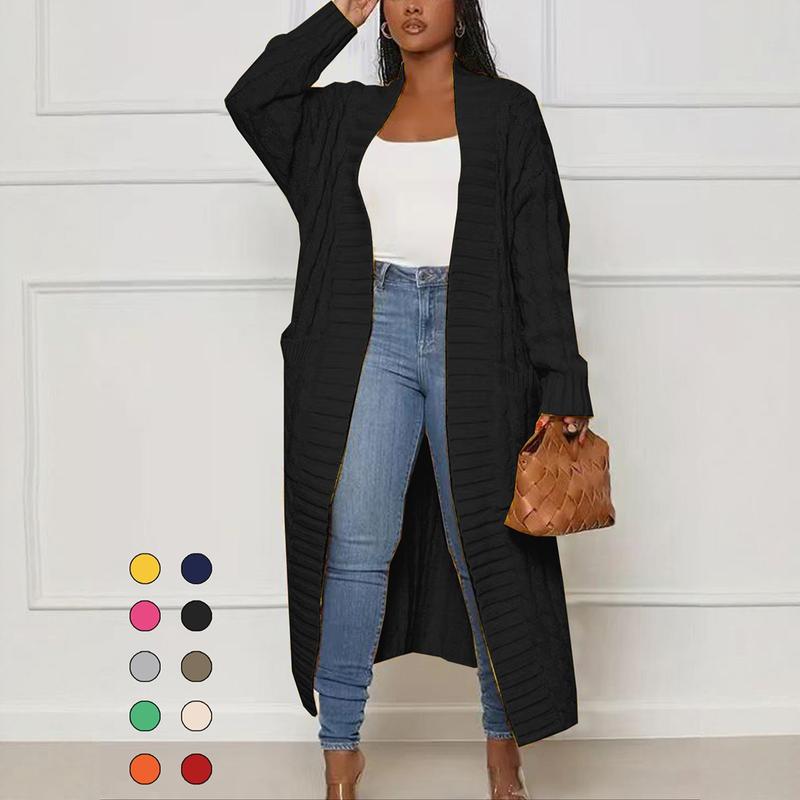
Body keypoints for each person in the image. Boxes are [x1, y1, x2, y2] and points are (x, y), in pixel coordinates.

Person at [224, 2, 594, 797]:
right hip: (369, 331)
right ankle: (340, 750)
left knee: (486, 546)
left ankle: (502, 743)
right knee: (355, 543)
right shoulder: (343, 116)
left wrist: (562, 377)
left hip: (479, 337)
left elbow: (540, 248)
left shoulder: (507, 111)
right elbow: (253, 98)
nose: (413, 3)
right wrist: (338, 17)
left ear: (462, 9)